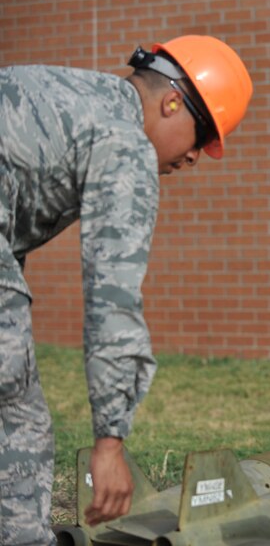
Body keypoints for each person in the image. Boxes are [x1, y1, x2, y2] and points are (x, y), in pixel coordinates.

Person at [0, 35, 253, 545]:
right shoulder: (125, 142)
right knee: (18, 421)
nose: (194, 157)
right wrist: (110, 443)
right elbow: (111, 301)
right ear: (171, 102)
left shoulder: (70, 94)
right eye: (202, 134)